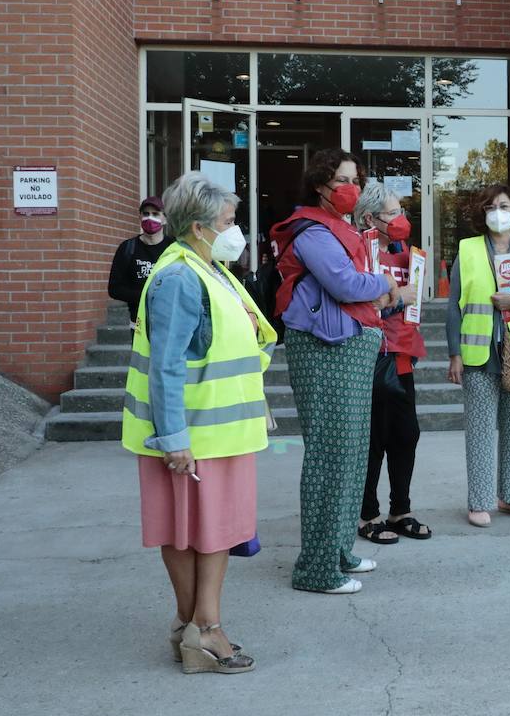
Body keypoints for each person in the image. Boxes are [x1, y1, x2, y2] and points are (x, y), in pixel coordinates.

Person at [122, 172, 272, 674]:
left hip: (220, 433)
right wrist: (174, 439)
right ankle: (204, 631)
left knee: (213, 534)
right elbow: (165, 364)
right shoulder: (180, 277)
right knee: (194, 535)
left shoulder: (213, 270)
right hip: (193, 437)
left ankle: (194, 628)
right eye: (228, 221)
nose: (236, 230)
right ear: (198, 226)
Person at [269, 149, 414, 595]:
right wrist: (388, 286)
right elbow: (345, 284)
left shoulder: (343, 228)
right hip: (325, 348)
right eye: (343, 180)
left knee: (352, 452)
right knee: (330, 456)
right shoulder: (312, 229)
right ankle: (315, 567)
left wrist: (378, 292)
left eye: (355, 179)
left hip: (348, 346)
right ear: (320, 186)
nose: (351, 187)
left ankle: (338, 549)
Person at [445, 184, 510, 527]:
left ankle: (509, 496)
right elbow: (453, 306)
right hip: (478, 354)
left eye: (504, 205)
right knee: (479, 431)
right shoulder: (468, 249)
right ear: (482, 213)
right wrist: (454, 354)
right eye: (490, 206)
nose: (497, 212)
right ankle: (479, 501)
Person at [353, 182, 431, 545]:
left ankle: (401, 510)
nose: (401, 219)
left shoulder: (403, 253)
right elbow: (362, 308)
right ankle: (367, 515)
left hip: (402, 357)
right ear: (370, 218)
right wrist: (399, 298)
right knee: (373, 442)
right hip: (370, 359)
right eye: (393, 213)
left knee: (406, 436)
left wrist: (407, 301)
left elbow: (407, 304)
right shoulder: (359, 255)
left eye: (401, 211)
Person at [108, 196, 174, 327]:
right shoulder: (127, 248)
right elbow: (114, 289)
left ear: (165, 219)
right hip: (139, 323)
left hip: (170, 321)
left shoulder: (174, 248)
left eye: (155, 214)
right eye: (146, 214)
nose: (150, 218)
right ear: (140, 217)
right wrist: (147, 295)